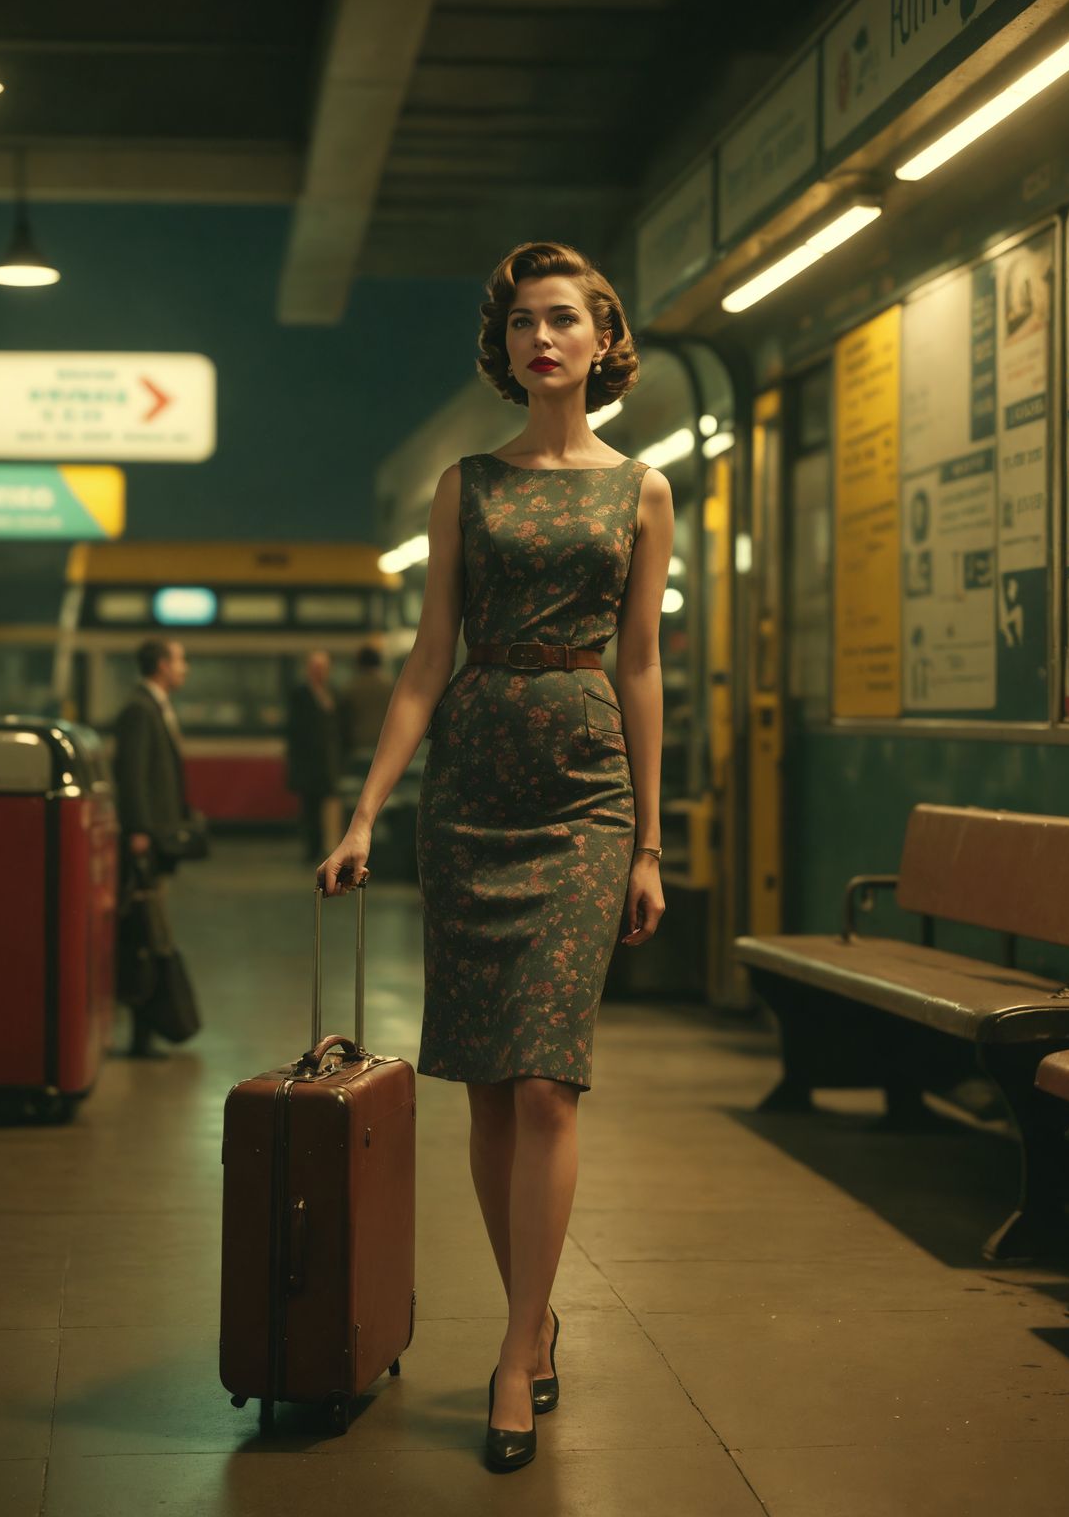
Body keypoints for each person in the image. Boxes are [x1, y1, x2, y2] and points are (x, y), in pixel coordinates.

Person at [317, 240, 672, 1473]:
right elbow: (429, 657)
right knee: (480, 1079)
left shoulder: (641, 490)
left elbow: (640, 663)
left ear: (601, 338)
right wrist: (366, 811)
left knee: (544, 1081)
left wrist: (648, 841)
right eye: (523, 322)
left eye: (563, 318)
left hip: (584, 791)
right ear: (505, 347)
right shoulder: (465, 486)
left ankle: (515, 1351)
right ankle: (538, 1313)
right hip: (470, 785)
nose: (542, 338)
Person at [113, 638, 192, 1058]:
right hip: (147, 841)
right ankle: (143, 1032)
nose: (185, 668)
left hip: (157, 838)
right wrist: (141, 830)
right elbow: (133, 773)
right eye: (180, 660)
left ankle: (148, 1028)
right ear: (161, 665)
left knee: (152, 929)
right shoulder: (141, 709)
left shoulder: (152, 706)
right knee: (147, 933)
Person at [285, 649, 341, 861]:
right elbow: (294, 729)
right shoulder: (299, 695)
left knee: (328, 805)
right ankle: (312, 848)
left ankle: (327, 846)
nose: (320, 672)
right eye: (316, 668)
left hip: (328, 761)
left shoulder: (333, 692)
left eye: (323, 668)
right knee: (309, 808)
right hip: (307, 762)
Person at [338, 643, 393, 767]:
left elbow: (344, 721)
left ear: (359, 664)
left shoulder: (350, 688)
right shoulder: (389, 687)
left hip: (358, 745)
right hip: (385, 744)